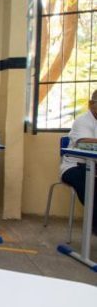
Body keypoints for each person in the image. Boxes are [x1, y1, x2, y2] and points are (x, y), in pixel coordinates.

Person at [60, 89, 97, 235]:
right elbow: (84, 143)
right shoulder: (82, 120)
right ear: (90, 104)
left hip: (94, 167)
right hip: (74, 166)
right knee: (91, 187)